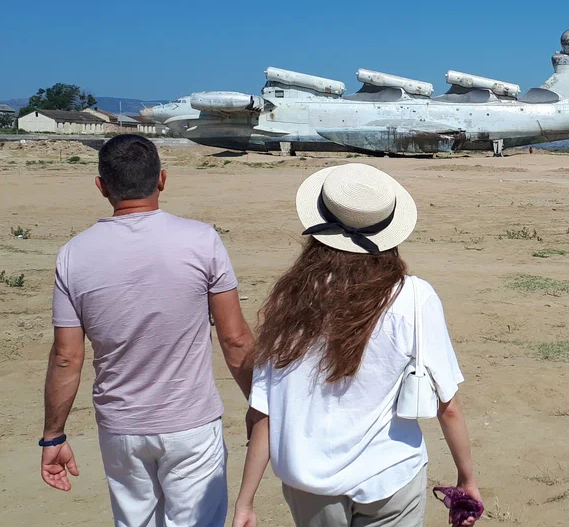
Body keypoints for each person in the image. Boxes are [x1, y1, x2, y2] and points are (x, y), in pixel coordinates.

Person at [233, 163, 480, 527]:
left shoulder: (292, 298)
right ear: (389, 230)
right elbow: (449, 406)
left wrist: (245, 500)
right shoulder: (414, 297)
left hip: (309, 481)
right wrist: (467, 478)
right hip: (390, 474)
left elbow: (264, 411)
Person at [40, 134, 256, 527]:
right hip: (190, 421)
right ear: (162, 179)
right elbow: (235, 338)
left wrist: (54, 435)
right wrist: (261, 404)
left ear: (101, 186)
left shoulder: (74, 254)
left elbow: (66, 356)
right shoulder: (201, 240)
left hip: (121, 427)